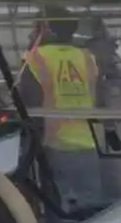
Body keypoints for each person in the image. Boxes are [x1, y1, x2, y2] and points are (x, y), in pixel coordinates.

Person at [17, 16, 105, 211]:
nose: (32, 33)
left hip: (55, 145)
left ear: (46, 29)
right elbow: (100, 99)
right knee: (92, 212)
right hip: (89, 144)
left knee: (60, 211)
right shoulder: (86, 57)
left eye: (36, 28)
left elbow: (27, 105)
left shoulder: (35, 58)